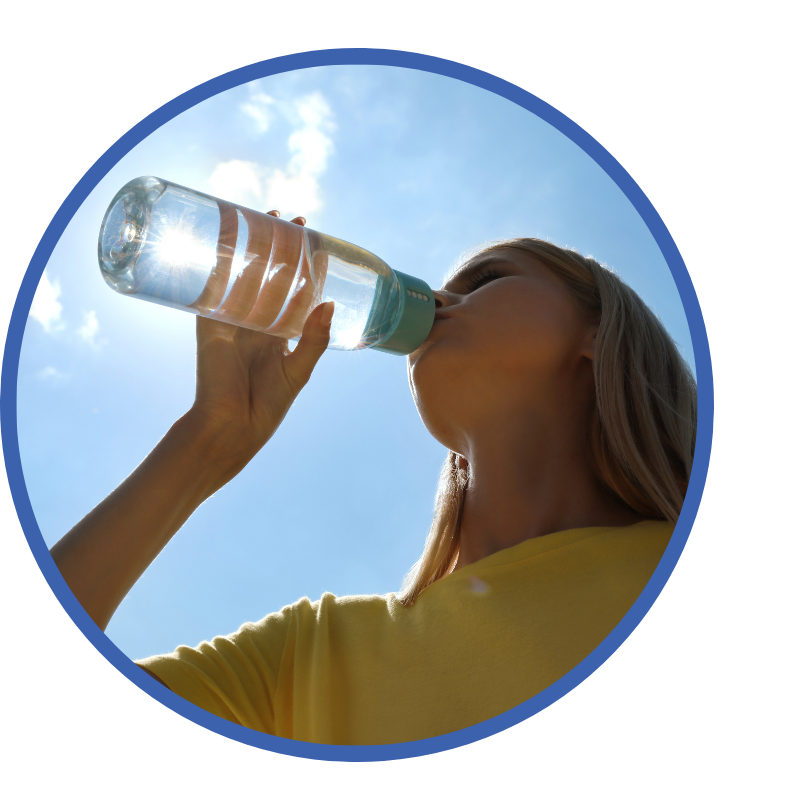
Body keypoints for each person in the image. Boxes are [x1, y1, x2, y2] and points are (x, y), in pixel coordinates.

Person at [51, 216, 697, 745]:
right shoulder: (307, 657)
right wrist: (205, 442)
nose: (440, 300)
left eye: (489, 280)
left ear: (596, 336)